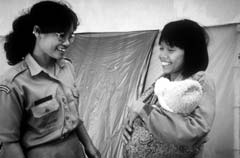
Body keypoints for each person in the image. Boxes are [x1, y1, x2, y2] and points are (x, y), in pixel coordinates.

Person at [0, 1, 101, 158]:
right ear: (37, 31)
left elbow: (74, 117)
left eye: (71, 36)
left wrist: (89, 146)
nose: (67, 43)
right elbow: (9, 142)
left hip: (75, 150)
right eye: (61, 36)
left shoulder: (67, 68)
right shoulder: (13, 83)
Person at [122, 19, 216, 158]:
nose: (162, 55)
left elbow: (196, 129)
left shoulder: (199, 82)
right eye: (161, 48)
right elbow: (140, 110)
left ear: (191, 52)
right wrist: (129, 126)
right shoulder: (162, 80)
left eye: (170, 49)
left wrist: (143, 110)